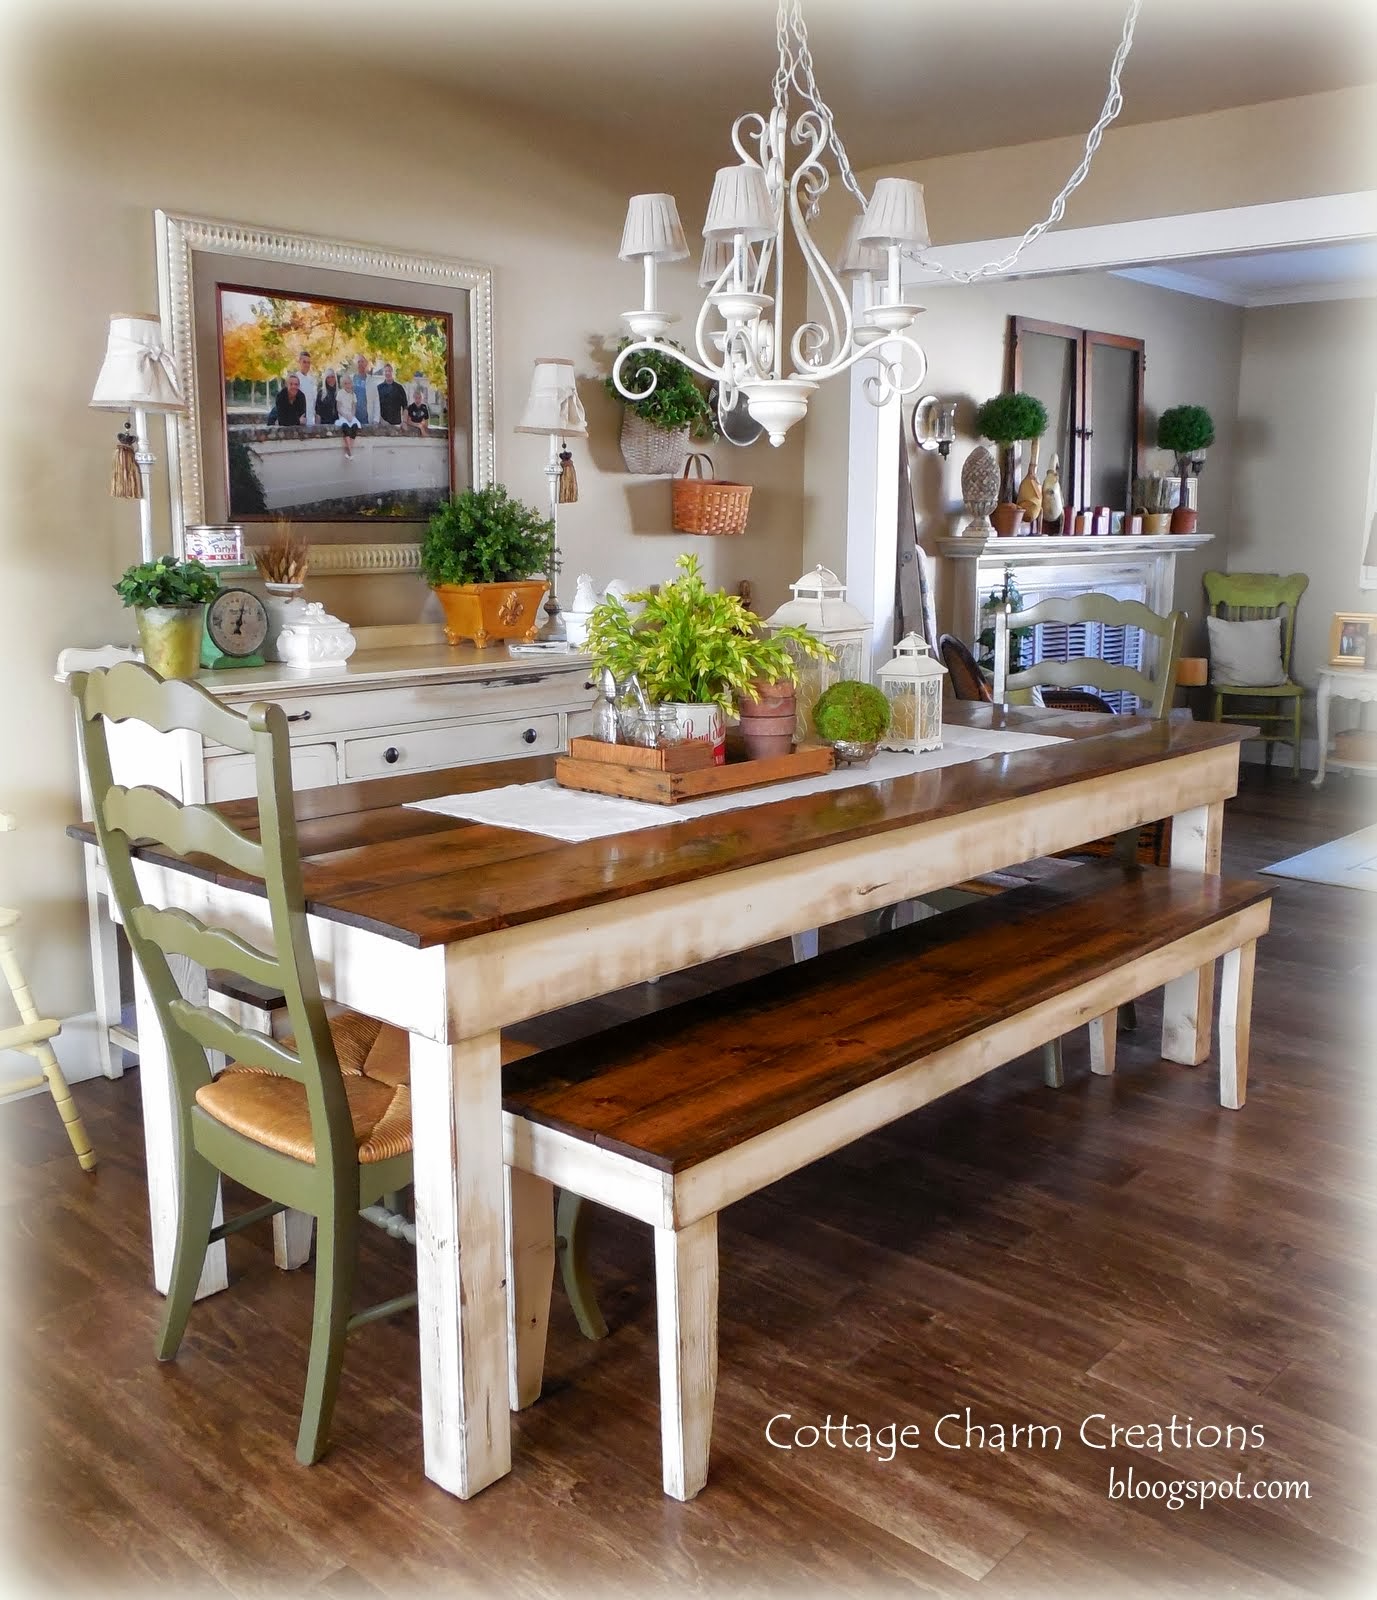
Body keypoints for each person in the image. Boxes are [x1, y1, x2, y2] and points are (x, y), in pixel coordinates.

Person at [375, 362, 407, 426]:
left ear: (393, 372)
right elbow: (376, 407)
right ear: (383, 373)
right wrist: (381, 420)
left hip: (397, 424)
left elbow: (405, 406)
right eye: (386, 371)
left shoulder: (399, 388)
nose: (387, 373)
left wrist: (404, 422)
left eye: (389, 371)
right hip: (382, 424)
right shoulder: (379, 388)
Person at [336, 373, 360, 458]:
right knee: (345, 427)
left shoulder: (353, 395)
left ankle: (349, 449)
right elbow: (338, 407)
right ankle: (349, 451)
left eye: (349, 383)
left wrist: (352, 416)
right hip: (343, 416)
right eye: (345, 383)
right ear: (343, 384)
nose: (347, 385)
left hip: (351, 416)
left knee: (355, 426)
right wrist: (344, 415)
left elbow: (354, 407)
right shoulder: (340, 393)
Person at [292, 350, 318, 424]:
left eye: (308, 362)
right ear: (299, 363)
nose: (307, 365)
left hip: (311, 419)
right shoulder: (295, 379)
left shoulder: (312, 380)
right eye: (304, 362)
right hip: (300, 419)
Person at [352, 353, 373, 425]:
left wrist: (375, 419)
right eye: (358, 362)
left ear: (366, 363)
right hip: (353, 417)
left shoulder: (371, 380)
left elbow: (376, 400)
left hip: (366, 418)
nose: (360, 364)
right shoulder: (351, 379)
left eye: (362, 362)